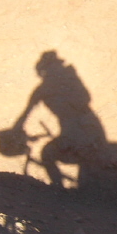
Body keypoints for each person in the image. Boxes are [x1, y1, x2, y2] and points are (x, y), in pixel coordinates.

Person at [11, 51, 106, 186]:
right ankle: (61, 189)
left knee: (48, 154)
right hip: (83, 131)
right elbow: (25, 115)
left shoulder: (66, 82)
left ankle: (58, 189)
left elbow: (86, 99)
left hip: (84, 131)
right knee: (56, 155)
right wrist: (15, 129)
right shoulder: (47, 88)